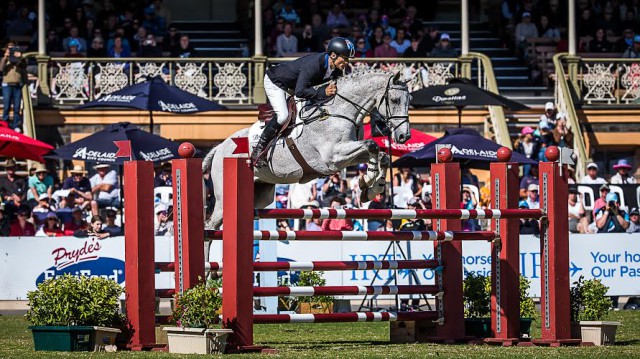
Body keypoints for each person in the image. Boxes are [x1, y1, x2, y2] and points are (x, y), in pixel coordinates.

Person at [254, 37, 354, 166]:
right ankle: (258, 149)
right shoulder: (313, 65)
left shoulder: (336, 68)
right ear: (333, 55)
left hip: (294, 85)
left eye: (348, 59)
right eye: (345, 58)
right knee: (283, 116)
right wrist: (323, 92)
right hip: (277, 82)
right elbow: (300, 92)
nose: (346, 62)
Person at [1, 42, 27, 131]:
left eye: (13, 48)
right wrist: (5, 57)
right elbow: (1, 69)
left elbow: (24, 66)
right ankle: (5, 125)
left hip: (17, 85)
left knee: (17, 107)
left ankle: (15, 125)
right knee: (6, 106)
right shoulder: (4, 59)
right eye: (9, 48)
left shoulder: (18, 59)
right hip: (7, 85)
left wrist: (20, 57)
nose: (11, 50)